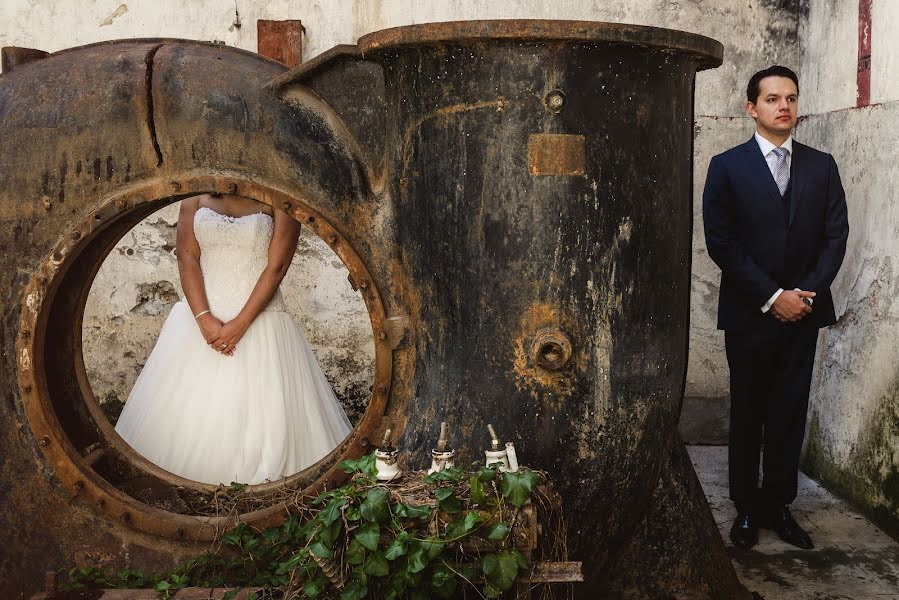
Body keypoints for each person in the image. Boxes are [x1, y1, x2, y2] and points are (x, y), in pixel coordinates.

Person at [702, 65, 849, 550]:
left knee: (789, 411)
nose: (783, 106)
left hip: (803, 311)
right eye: (771, 99)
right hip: (750, 313)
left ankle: (779, 505)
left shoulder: (821, 165)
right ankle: (746, 507)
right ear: (752, 108)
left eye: (790, 98)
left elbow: (835, 237)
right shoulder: (727, 165)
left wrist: (802, 295)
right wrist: (771, 297)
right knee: (748, 410)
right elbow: (722, 242)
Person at [115, 193, 352, 485]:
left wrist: (240, 324)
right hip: (200, 318)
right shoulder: (195, 197)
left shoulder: (280, 199)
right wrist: (203, 319)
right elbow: (187, 255)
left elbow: (277, 267)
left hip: (260, 320)